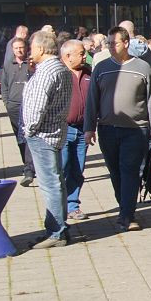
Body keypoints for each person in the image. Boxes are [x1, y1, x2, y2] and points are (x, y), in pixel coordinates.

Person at [84, 26, 151, 232]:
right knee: (115, 172)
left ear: (127, 43)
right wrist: (89, 128)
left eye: (116, 43)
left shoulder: (142, 67)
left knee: (130, 171)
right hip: (108, 129)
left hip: (136, 129)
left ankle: (126, 216)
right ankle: (125, 208)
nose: (111, 47)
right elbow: (92, 100)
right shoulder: (101, 68)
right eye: (109, 43)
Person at [20, 31, 73, 249]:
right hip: (55, 132)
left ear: (41, 49)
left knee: (50, 184)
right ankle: (57, 227)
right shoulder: (61, 68)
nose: (30, 52)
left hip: (42, 134)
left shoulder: (46, 72)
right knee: (56, 182)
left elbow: (37, 106)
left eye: (32, 48)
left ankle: (56, 231)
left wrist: (29, 129)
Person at [60, 39, 91, 221]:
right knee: (62, 168)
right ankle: (59, 207)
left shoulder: (88, 72)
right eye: (81, 53)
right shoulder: (59, 73)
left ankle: (73, 205)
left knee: (77, 169)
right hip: (62, 129)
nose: (85, 56)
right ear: (67, 56)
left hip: (82, 129)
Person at [0, 37, 35, 186]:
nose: (19, 50)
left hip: (28, 105)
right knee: (19, 138)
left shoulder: (31, 64)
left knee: (28, 136)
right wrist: (6, 102)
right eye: (16, 48)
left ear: (26, 48)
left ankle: (29, 169)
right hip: (13, 106)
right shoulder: (8, 65)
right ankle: (26, 165)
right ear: (12, 50)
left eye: (21, 47)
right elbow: (4, 85)